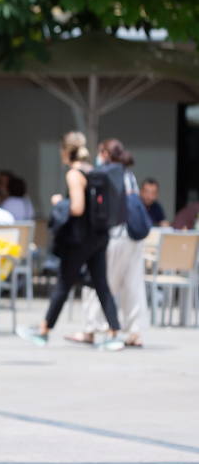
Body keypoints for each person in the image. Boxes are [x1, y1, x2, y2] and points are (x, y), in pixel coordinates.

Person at [17, 132, 125, 351]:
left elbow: (77, 207)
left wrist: (59, 203)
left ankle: (44, 330)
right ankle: (115, 333)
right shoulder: (93, 170)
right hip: (99, 236)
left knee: (64, 284)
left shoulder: (74, 174)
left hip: (79, 239)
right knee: (101, 284)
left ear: (66, 151)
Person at [71, 139, 147, 347]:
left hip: (113, 235)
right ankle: (134, 332)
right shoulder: (128, 174)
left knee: (99, 283)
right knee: (132, 285)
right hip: (133, 235)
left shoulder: (103, 174)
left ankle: (92, 328)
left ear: (104, 153)